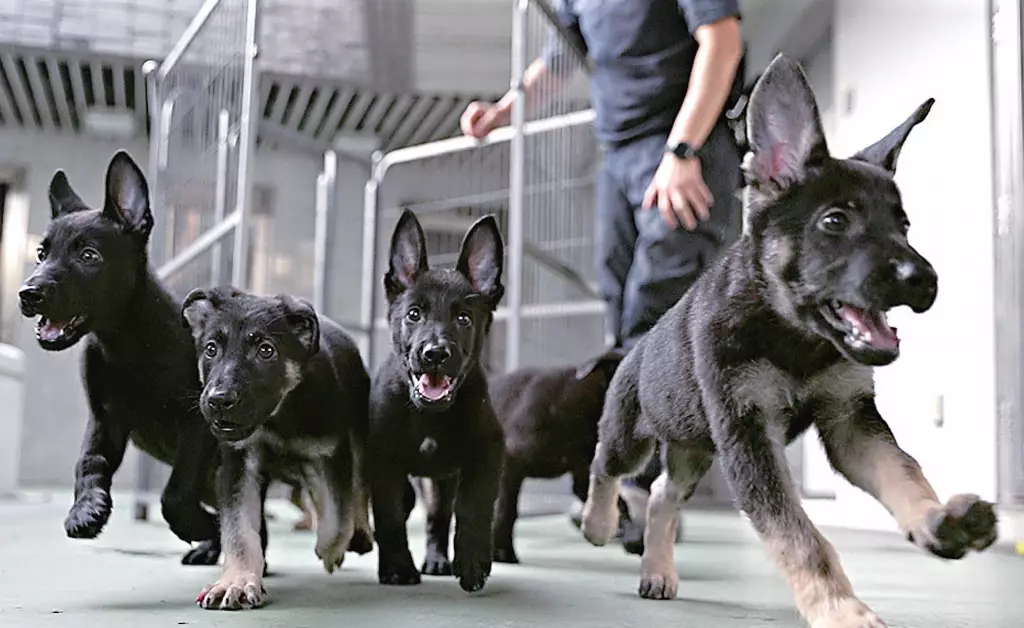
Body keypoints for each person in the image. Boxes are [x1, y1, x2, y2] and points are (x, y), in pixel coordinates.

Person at [460, 0, 746, 553]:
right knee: (621, 321)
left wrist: (683, 149)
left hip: (681, 143)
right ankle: (625, 478)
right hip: (619, 154)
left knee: (655, 316)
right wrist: (500, 112)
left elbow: (722, 41)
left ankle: (647, 490)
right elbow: (557, 63)